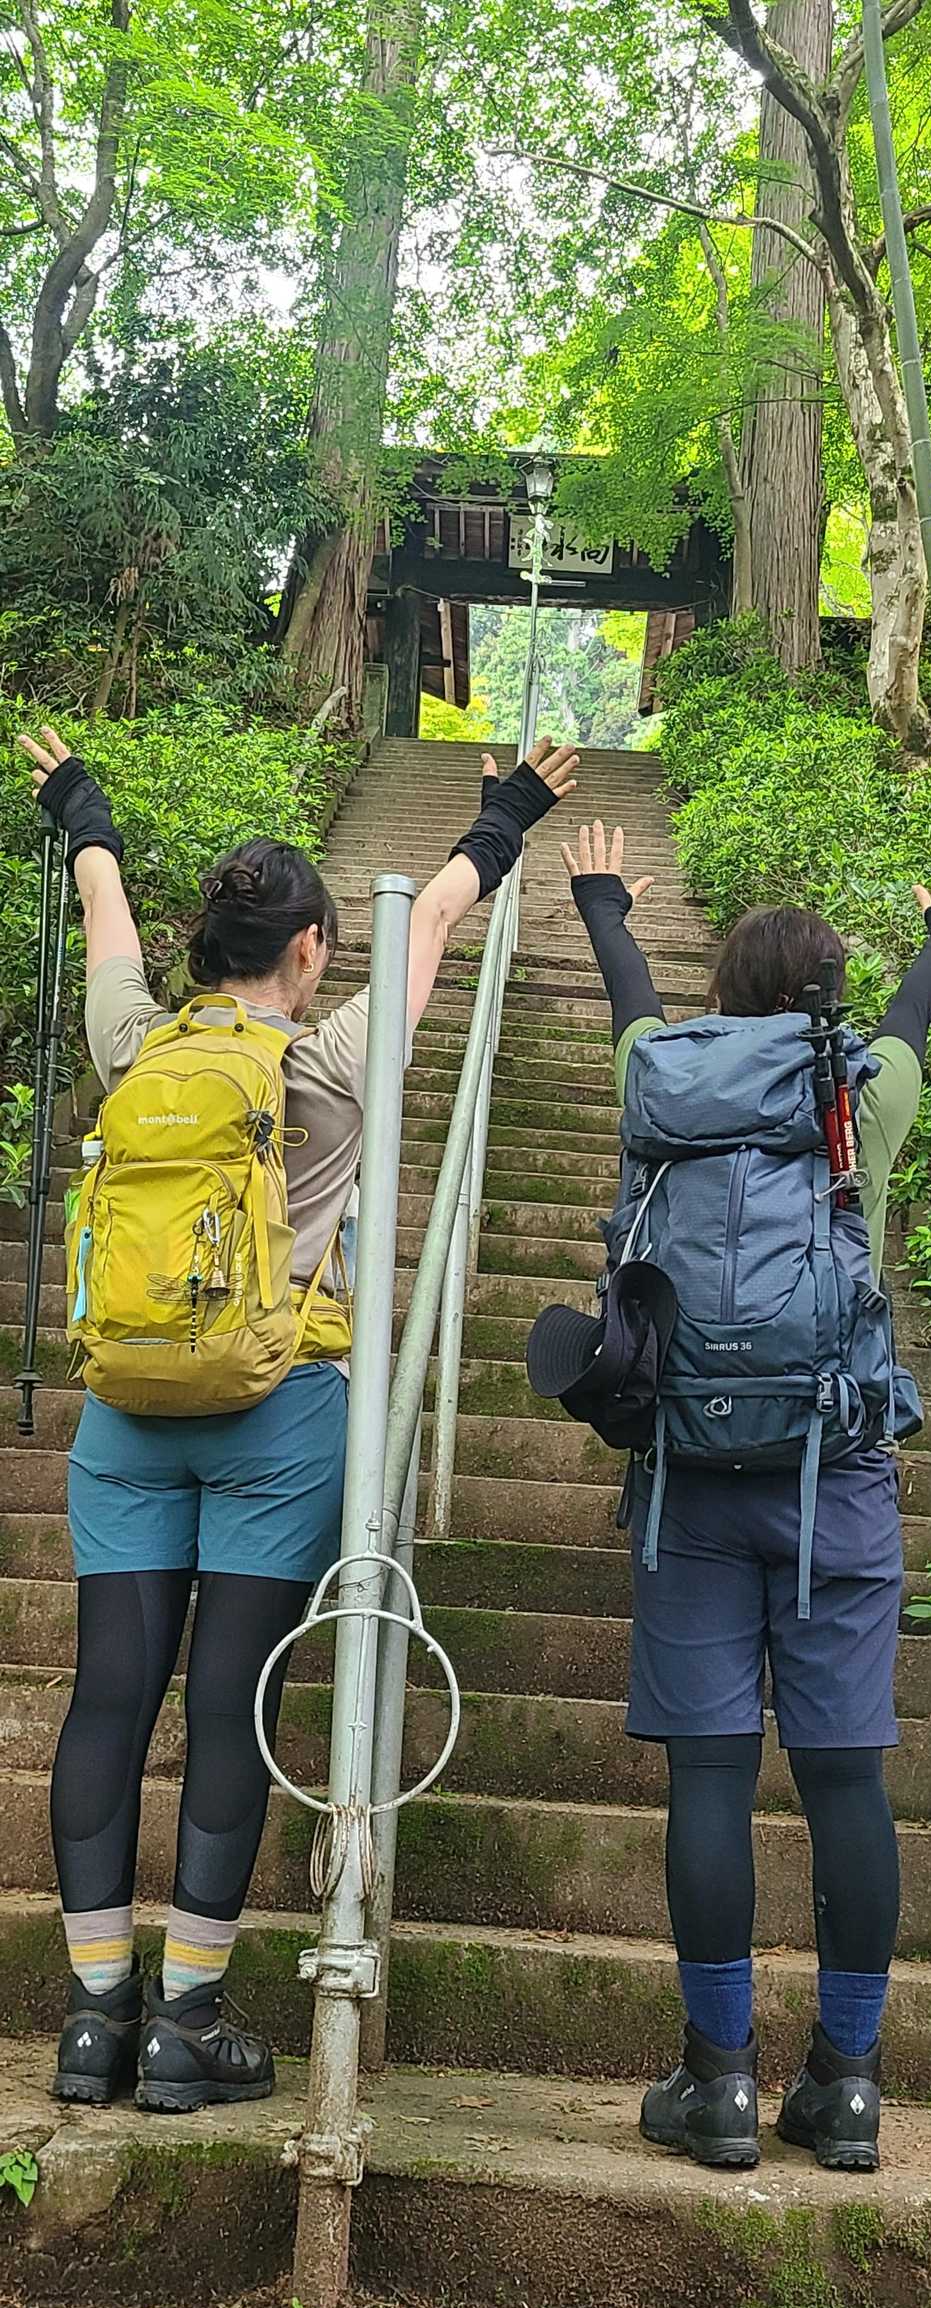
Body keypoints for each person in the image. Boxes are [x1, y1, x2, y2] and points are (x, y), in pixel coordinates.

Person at [18, 720, 578, 2113]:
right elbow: (436, 916)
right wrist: (505, 814)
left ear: (204, 945)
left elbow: (104, 921)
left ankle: (92, 2017)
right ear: (314, 947)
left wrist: (85, 813)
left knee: (108, 1695)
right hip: (280, 1412)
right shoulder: (329, 1066)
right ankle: (186, 2022)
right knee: (231, 1702)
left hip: (125, 1414)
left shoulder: (135, 1046)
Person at [560, 822, 931, 2173]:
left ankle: (716, 2082)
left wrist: (604, 908)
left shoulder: (661, 1079)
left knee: (709, 1774)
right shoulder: (858, 1093)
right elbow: (911, 1023)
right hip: (838, 1477)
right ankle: (848, 2085)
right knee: (844, 1777)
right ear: (826, 1001)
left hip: (688, 1478)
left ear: (721, 1001)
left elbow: (632, 1016)